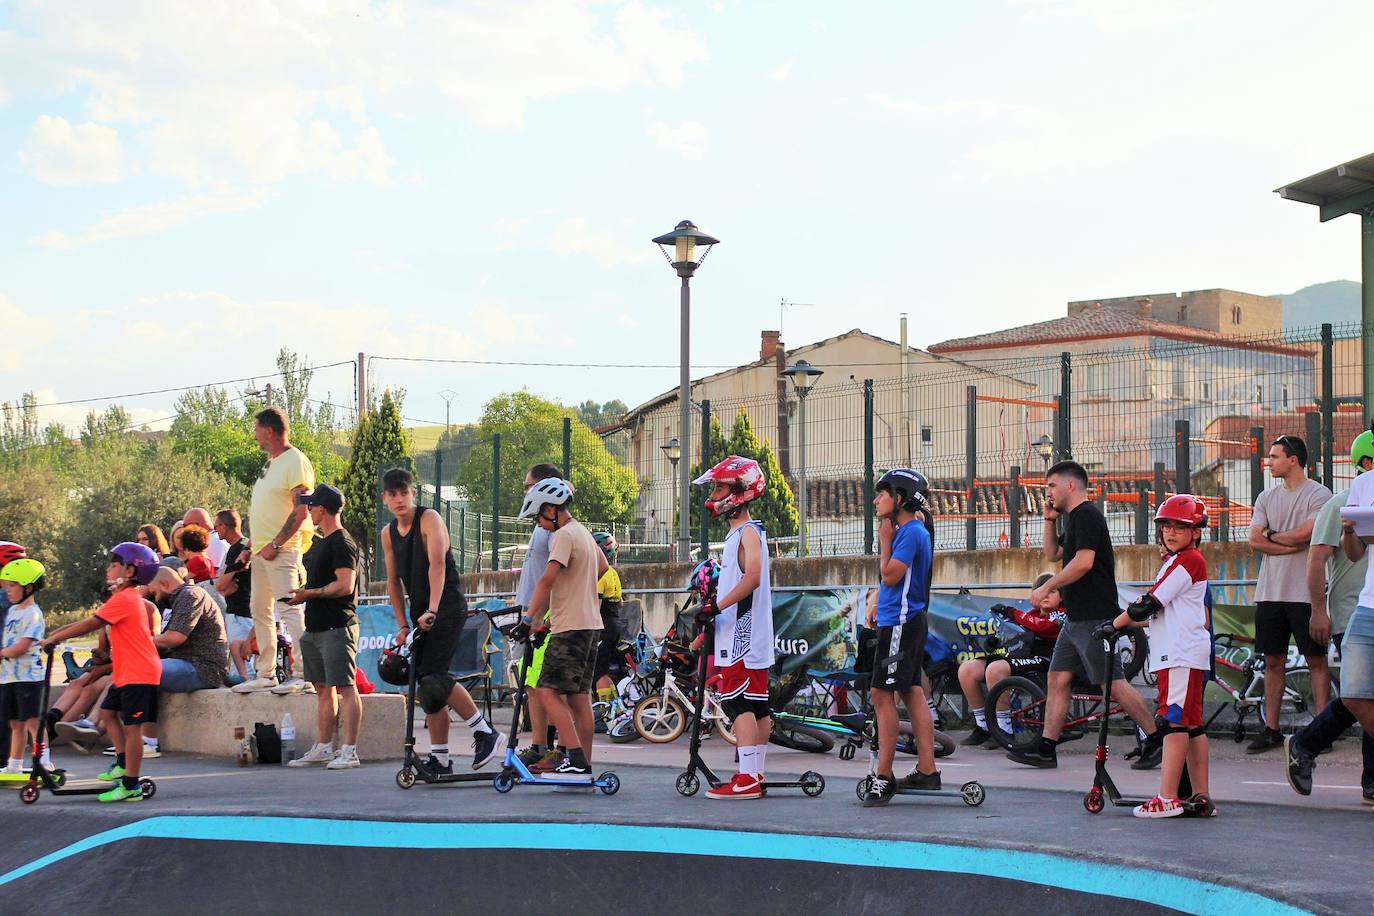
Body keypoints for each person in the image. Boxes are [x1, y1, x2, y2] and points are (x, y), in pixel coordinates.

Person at [1011, 460, 1162, 769]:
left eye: (1051, 486)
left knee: (1112, 684)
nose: (1048, 492)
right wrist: (1050, 521)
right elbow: (1053, 554)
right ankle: (1046, 747)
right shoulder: (1074, 519)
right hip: (1076, 618)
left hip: (1094, 617)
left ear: (1070, 485)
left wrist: (1047, 587)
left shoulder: (1088, 515)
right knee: (1058, 678)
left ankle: (1156, 738)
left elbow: (1083, 563)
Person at [1099, 495, 1213, 818]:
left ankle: (1167, 797)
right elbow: (1156, 612)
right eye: (1166, 526)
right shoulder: (1180, 562)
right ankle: (1200, 796)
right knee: (1192, 725)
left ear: (1196, 532)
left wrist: (1114, 624)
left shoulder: (1187, 561)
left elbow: (1149, 603)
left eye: (1181, 526)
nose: (1172, 532)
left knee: (1174, 720)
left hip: (1179, 654)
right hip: (1182, 653)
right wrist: (1119, 625)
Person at [381, 468, 497, 773]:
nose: (399, 499)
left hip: (446, 607)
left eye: (404, 492)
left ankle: (484, 730)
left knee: (433, 674)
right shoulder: (388, 533)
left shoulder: (429, 518)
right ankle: (441, 758)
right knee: (427, 684)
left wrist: (432, 609)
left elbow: (436, 565)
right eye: (393, 494)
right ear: (385, 499)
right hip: (421, 615)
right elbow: (393, 581)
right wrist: (402, 625)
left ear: (413, 494)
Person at [1287, 429, 1374, 803]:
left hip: (1361, 609)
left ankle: (1308, 746)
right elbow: (1321, 556)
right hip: (1351, 612)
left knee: (1363, 695)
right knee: (1357, 694)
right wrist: (1318, 611)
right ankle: (1366, 778)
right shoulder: (1344, 499)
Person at [42, 542, 162, 802]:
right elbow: (89, 621)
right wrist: (54, 635)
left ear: (130, 571)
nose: (108, 569)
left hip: (140, 673)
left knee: (133, 730)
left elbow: (90, 623)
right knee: (107, 713)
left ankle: (131, 784)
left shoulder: (126, 599)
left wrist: (55, 640)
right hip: (127, 672)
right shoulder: (123, 599)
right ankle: (121, 762)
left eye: (114, 564)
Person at [684, 456, 772, 800]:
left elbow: (752, 577)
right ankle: (755, 770)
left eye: (720, 486)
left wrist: (715, 606)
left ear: (740, 491)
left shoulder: (748, 533)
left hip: (742, 634)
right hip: (746, 633)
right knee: (758, 705)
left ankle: (747, 777)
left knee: (739, 705)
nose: (716, 493)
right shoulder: (743, 533)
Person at [1247, 435, 1333, 753]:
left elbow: (1309, 533)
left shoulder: (1319, 494)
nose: (1269, 462)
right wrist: (1287, 543)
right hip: (1270, 592)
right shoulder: (1266, 497)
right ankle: (1271, 729)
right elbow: (1255, 540)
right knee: (1273, 660)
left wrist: (1274, 536)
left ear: (1293, 459)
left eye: (1274, 456)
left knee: (1315, 660)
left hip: (1306, 592)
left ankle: (1321, 732)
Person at [519, 477, 607, 782]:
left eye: (538, 517)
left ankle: (575, 758)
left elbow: (547, 580)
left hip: (570, 628)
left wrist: (528, 619)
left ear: (551, 509)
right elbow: (604, 567)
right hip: (591, 625)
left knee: (545, 690)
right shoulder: (583, 533)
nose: (539, 525)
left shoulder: (563, 536)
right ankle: (584, 767)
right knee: (579, 698)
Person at [862, 468, 939, 806]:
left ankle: (884, 775)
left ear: (901, 498)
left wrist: (885, 541)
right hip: (902, 620)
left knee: (881, 693)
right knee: (911, 692)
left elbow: (891, 574)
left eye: (883, 493)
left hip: (903, 623)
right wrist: (877, 601)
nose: (876, 499)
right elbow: (892, 584)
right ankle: (927, 770)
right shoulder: (911, 531)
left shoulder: (909, 533)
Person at [235, 406, 314, 694]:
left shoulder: (295, 461)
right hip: (261, 552)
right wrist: (250, 546)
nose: (255, 436)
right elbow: (265, 510)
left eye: (257, 430)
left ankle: (305, 673)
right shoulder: (271, 464)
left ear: (269, 430)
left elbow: (302, 509)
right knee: (261, 611)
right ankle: (266, 673)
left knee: (289, 609)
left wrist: (276, 544)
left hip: (283, 550)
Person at [284, 484, 364, 770]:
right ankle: (323, 746)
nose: (308, 510)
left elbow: (345, 585)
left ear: (322, 509)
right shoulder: (323, 542)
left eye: (311, 505)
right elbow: (324, 584)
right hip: (316, 627)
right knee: (322, 688)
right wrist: (303, 593)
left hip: (337, 626)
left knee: (345, 687)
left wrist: (310, 594)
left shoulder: (342, 542)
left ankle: (349, 751)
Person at [957, 572, 1064, 747]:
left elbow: (1041, 627)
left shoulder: (1061, 614)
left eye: (1051, 591)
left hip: (1046, 660)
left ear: (1061, 597)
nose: (1045, 595)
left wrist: (1011, 612)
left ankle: (1004, 729)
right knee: (967, 669)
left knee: (995, 669)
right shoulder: (1031, 613)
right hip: (1020, 657)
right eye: (1041, 591)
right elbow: (1013, 634)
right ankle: (983, 726)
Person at [513, 463, 563, 771]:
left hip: (540, 619)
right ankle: (538, 745)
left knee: (545, 686)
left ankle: (558, 749)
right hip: (528, 614)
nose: (524, 491)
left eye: (527, 485)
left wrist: (543, 614)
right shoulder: (540, 527)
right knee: (531, 684)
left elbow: (556, 577)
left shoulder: (555, 530)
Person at [1, 558, 50, 774]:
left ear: (28, 587)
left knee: (33, 722)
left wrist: (1, 653)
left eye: (12, 586)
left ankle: (44, 761)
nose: (8, 591)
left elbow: (21, 646)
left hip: (29, 678)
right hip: (9, 676)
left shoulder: (33, 614)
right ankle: (14, 764)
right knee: (15, 724)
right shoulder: (13, 611)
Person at [147, 567, 229, 692]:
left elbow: (175, 637)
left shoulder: (190, 594)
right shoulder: (180, 598)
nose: (156, 599)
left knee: (139, 671)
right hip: (187, 663)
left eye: (154, 593)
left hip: (202, 668)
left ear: (164, 584)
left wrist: (144, 641)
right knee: (119, 678)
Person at [591, 531, 624, 730]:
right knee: (606, 672)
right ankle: (615, 711)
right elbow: (620, 603)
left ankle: (605, 717)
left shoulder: (600, 574)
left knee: (598, 673)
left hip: (602, 625)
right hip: (614, 624)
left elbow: (595, 605)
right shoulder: (613, 573)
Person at [213, 509, 254, 646]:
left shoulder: (238, 548)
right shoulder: (242, 545)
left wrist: (225, 580)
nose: (215, 530)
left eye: (216, 527)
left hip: (240, 612)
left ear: (224, 526)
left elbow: (220, 585)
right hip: (244, 610)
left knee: (241, 659)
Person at [183, 507, 228, 573]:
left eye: (185, 525)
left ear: (195, 525)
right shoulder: (214, 539)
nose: (183, 529)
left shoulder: (215, 542)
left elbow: (215, 574)